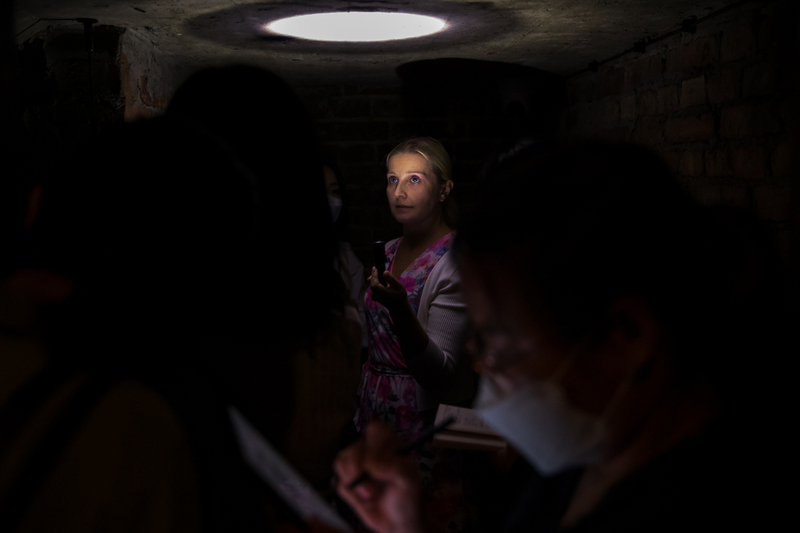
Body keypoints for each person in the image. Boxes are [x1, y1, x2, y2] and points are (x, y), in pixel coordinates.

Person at [335, 142, 788, 532]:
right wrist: (407, 524)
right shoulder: (579, 460)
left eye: (499, 339)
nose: (481, 364)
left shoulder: (693, 505)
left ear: (626, 337)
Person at [354, 137, 473, 441]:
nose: (399, 192)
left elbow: (440, 373)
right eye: (392, 180)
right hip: (375, 408)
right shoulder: (390, 252)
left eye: (414, 180)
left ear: (444, 189)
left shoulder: (455, 261)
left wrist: (399, 309)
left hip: (420, 417)